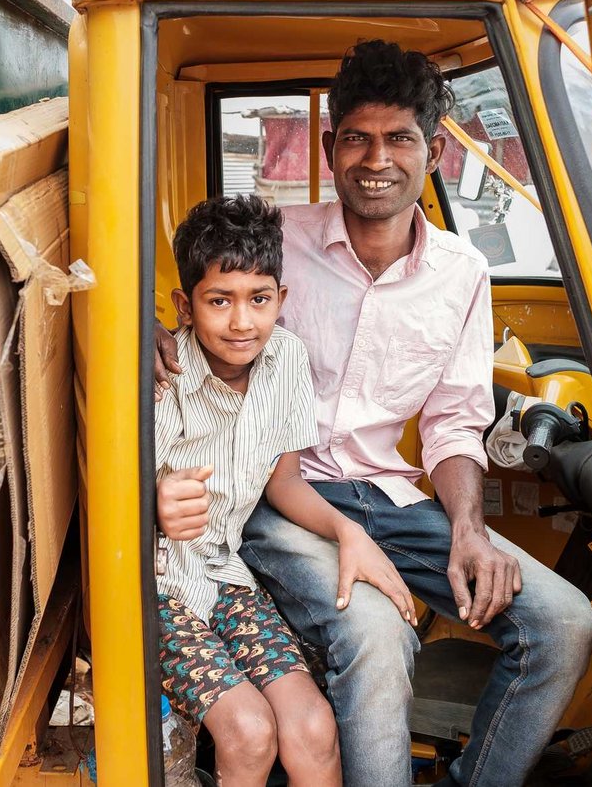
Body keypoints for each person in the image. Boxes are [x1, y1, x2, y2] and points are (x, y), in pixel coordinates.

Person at [154, 41, 592, 787]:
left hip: (390, 496)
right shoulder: (279, 241)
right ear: (331, 148)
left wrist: (469, 530)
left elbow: (454, 420)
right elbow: (200, 305)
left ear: (433, 153)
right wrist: (147, 331)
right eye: (358, 138)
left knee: (563, 622)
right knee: (376, 633)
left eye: (400, 139)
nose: (377, 159)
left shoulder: (462, 272)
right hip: (277, 495)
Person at [154, 194, 416, 787]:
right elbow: (105, 499)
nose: (242, 322)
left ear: (282, 299)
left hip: (225, 576)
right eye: (219, 300)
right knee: (249, 732)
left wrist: (347, 530)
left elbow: (285, 481)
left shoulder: (288, 359)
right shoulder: (161, 376)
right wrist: (153, 505)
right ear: (185, 306)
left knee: (314, 728)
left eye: (259, 299)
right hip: (157, 589)